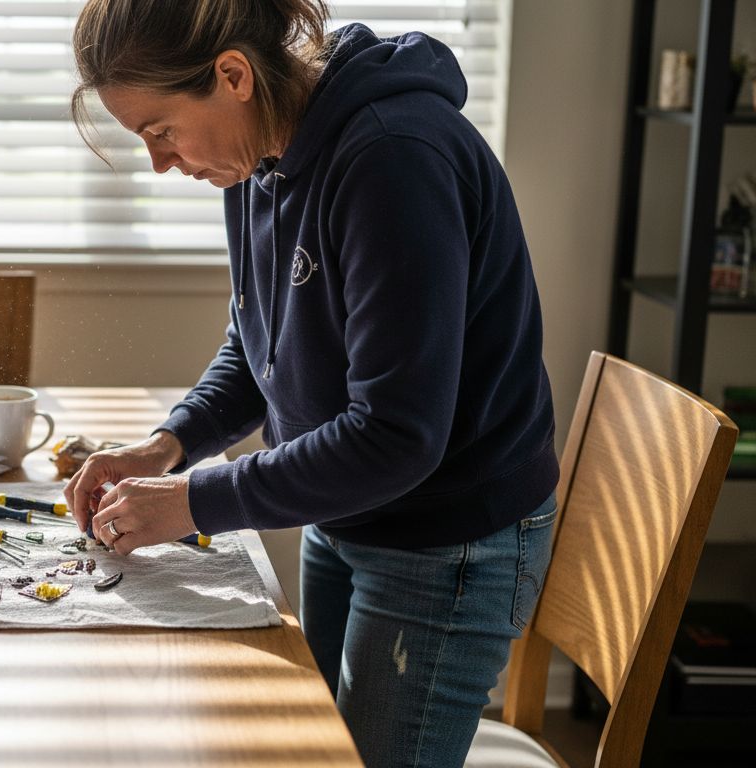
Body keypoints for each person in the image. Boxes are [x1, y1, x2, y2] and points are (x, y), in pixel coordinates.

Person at [63, 2, 560, 766]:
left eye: (160, 131)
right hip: (347, 509)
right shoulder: (256, 155)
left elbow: (396, 436)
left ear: (233, 75)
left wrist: (194, 501)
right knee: (308, 748)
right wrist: (166, 446)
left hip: (447, 538)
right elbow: (258, 345)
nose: (160, 163)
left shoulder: (394, 159)